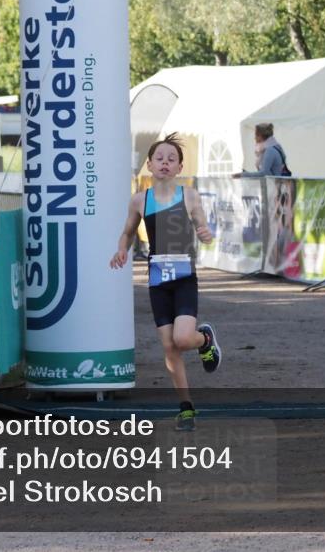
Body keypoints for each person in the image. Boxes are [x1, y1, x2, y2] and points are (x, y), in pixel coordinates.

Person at [110, 133, 221, 431]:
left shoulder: (189, 196)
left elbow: (201, 223)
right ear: (149, 164)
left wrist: (204, 232)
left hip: (184, 277)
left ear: (180, 167)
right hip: (158, 280)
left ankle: (204, 340)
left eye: (171, 159)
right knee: (169, 348)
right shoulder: (139, 200)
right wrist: (122, 248)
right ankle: (186, 408)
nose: (165, 163)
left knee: (183, 339)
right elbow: (128, 232)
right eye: (159, 158)